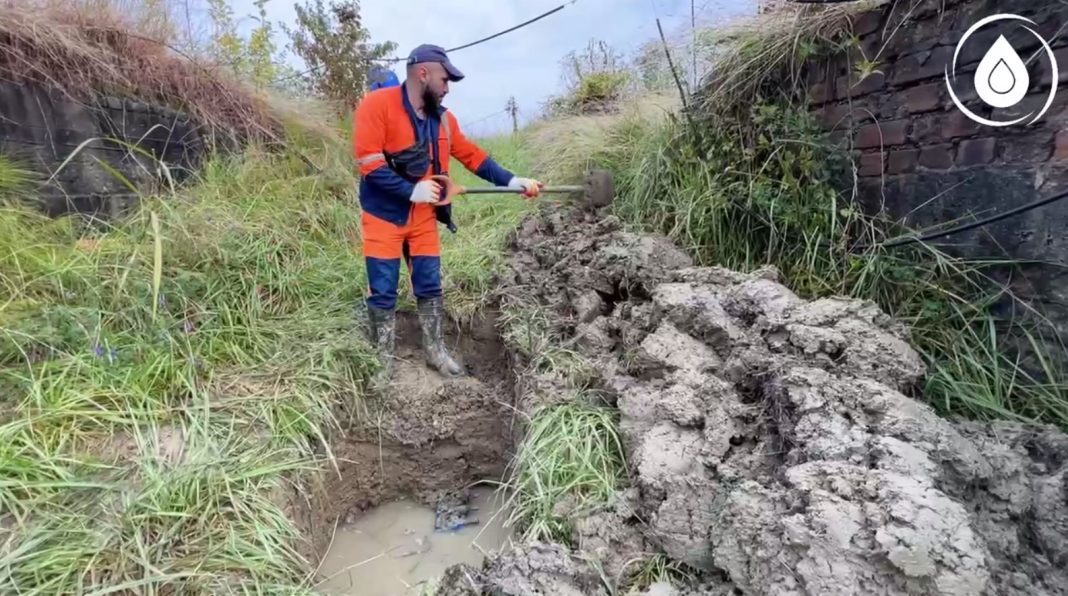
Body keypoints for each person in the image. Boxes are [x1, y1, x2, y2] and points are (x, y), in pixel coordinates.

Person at [353, 43, 542, 389]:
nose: (448, 86)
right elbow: (369, 162)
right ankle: (382, 361)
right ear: (422, 74)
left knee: (429, 283)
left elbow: (475, 158)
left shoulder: (445, 119)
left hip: (424, 216)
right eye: (445, 78)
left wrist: (513, 181)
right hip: (384, 216)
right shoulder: (376, 105)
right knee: (382, 289)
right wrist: (410, 190)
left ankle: (435, 350)